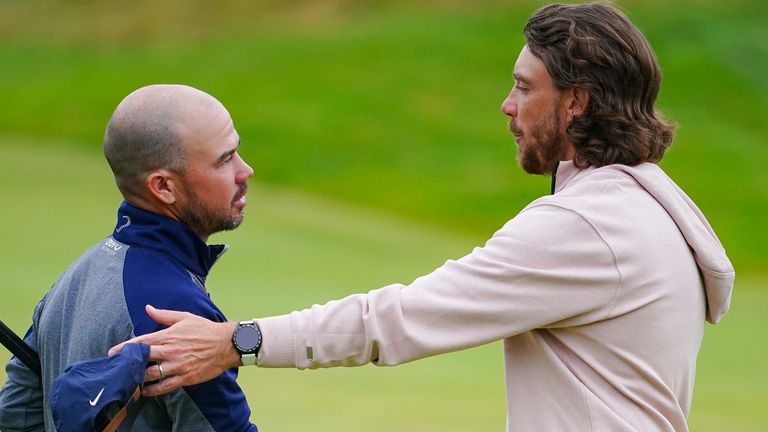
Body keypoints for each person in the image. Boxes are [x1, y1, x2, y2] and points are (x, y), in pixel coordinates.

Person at [113, 3, 735, 431]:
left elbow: (399, 319)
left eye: (524, 87)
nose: (506, 104)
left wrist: (236, 341)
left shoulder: (589, 227)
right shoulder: (644, 201)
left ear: (576, 103)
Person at [0, 84, 259, 431]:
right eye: (225, 160)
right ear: (163, 187)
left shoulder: (74, 278)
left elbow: (17, 417)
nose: (246, 171)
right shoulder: (175, 311)